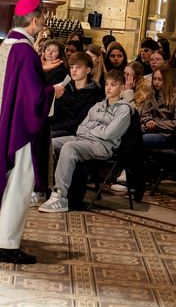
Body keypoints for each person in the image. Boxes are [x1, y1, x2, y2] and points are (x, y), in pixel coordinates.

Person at [0, 0, 57, 265]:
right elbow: (34, 99)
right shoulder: (26, 52)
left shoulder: (8, 45)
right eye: (42, 17)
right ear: (34, 20)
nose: (43, 22)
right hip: (20, 132)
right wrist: (55, 91)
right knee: (19, 185)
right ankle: (6, 245)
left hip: (1, 126)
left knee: (3, 181)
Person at [38, 69, 133, 213]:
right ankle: (41, 189)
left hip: (102, 146)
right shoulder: (98, 105)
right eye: (107, 84)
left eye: (113, 85)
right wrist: (98, 128)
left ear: (121, 88)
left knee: (70, 147)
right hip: (82, 138)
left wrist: (92, 127)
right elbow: (80, 129)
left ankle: (60, 196)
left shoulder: (124, 110)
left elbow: (108, 134)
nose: (108, 88)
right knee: (49, 143)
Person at [51, 51, 104, 137]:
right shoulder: (65, 87)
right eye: (72, 67)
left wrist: (51, 127)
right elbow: (55, 109)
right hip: (57, 126)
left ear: (88, 70)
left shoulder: (95, 93)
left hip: (75, 131)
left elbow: (78, 120)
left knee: (44, 137)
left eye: (79, 67)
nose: (74, 70)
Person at [139, 64, 176, 148]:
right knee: (130, 134)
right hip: (149, 128)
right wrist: (148, 121)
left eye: (160, 79)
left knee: (139, 140)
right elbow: (144, 114)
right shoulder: (151, 94)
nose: (156, 82)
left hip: (166, 134)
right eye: (154, 79)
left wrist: (155, 125)